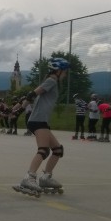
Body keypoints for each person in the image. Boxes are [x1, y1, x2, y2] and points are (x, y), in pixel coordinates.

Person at [13, 57, 69, 197]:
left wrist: (18, 108)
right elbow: (32, 94)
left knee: (57, 150)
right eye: (65, 71)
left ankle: (46, 178)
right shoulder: (51, 81)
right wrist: (20, 110)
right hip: (38, 120)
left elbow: (31, 96)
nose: (66, 74)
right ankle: (29, 178)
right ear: (58, 71)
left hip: (41, 120)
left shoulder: (51, 81)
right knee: (43, 150)